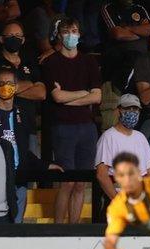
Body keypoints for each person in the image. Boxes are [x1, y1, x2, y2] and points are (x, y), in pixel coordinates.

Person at [41, 18, 102, 224]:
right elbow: (56, 97)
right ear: (59, 35)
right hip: (63, 127)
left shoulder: (89, 61)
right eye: (66, 32)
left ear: (80, 34)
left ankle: (75, 229)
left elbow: (96, 96)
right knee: (66, 181)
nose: (70, 35)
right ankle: (58, 229)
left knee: (81, 183)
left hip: (87, 127)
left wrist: (70, 98)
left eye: (74, 31)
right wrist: (83, 94)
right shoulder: (51, 62)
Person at [0, 69, 62, 223]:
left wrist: (45, 165)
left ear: (17, 87)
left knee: (17, 226)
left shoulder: (22, 114)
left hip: (20, 178)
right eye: (2, 83)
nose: (6, 87)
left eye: (10, 83)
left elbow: (24, 150)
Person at [0, 20, 47, 155]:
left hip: (29, 125)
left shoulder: (30, 62)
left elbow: (41, 93)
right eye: (10, 35)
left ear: (23, 40)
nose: (14, 38)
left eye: (18, 35)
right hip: (2, 126)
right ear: (1, 39)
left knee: (31, 170)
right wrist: (29, 84)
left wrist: (9, 90)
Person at [95, 93, 150, 203]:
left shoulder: (140, 137)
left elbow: (149, 171)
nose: (132, 112)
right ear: (118, 111)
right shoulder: (108, 137)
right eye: (128, 108)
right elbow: (102, 174)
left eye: (135, 109)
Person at [100, 0, 150, 91]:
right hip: (118, 52)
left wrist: (128, 28)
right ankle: (120, 90)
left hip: (142, 51)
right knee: (134, 57)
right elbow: (118, 34)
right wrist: (141, 32)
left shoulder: (140, 8)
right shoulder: (108, 8)